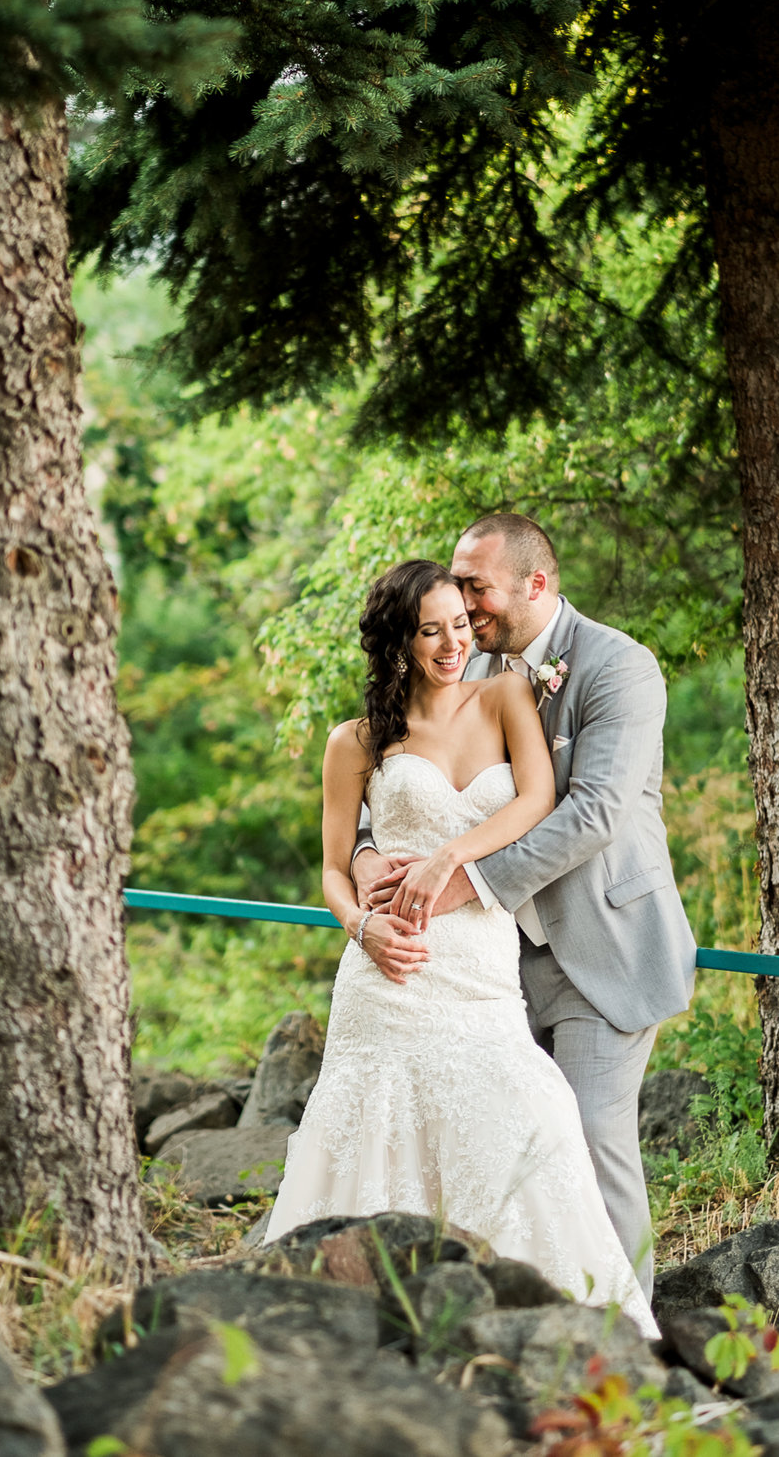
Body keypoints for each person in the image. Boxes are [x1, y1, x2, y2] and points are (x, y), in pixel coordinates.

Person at [263, 558, 657, 1338]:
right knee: (376, 1135)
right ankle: (361, 1326)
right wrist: (361, 925)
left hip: (479, 963)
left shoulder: (508, 693)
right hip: (388, 973)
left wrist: (454, 858)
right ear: (398, 642)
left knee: (534, 1114)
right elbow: (335, 868)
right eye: (430, 629)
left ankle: (571, 1331)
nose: (451, 642)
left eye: (459, 624)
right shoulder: (355, 741)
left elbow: (540, 800)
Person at [353, 513, 697, 1292]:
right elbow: (393, 781)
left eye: (475, 586)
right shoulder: (459, 663)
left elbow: (594, 812)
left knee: (588, 1138)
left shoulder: (620, 667)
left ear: (534, 584)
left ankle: (628, 1342)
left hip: (600, 949)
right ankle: (526, 1321)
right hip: (488, 967)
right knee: (502, 1147)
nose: (461, 604)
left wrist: (462, 881)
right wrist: (369, 855)